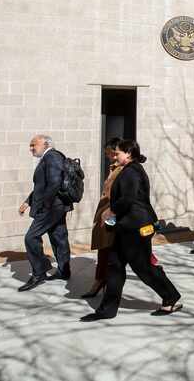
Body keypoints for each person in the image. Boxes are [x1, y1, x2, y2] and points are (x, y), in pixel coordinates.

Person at [80, 140, 182, 321]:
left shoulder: (132, 172)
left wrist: (109, 212)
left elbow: (128, 198)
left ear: (128, 153)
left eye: (117, 153)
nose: (115, 155)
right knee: (115, 266)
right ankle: (107, 310)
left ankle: (171, 297)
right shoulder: (129, 170)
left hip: (137, 226)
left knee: (143, 267)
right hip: (126, 226)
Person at [17, 134, 71, 292]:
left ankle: (39, 272)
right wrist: (27, 202)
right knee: (58, 237)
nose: (31, 149)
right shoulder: (50, 158)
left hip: (52, 207)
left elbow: (54, 183)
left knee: (31, 237)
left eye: (34, 145)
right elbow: (41, 186)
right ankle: (64, 270)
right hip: (57, 205)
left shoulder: (52, 157)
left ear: (45, 144)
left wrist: (45, 205)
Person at [81, 137, 122, 299]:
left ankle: (102, 283)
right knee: (105, 251)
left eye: (108, 153)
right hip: (107, 216)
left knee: (114, 253)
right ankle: (101, 281)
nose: (106, 156)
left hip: (114, 216)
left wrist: (112, 213)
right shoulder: (114, 168)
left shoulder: (126, 170)